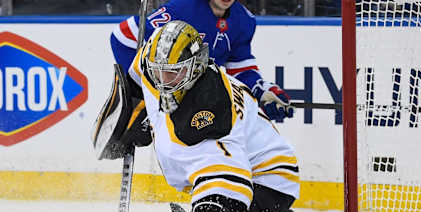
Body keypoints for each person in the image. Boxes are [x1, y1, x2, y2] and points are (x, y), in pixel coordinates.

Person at [123, 20, 337, 212]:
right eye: (158, 72)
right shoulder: (153, 66)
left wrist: (214, 210)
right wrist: (130, 114)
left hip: (269, 178)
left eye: (173, 74)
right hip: (244, 170)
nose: (163, 81)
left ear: (195, 66)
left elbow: (229, 168)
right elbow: (137, 70)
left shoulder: (212, 108)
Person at [110, 0, 294, 122]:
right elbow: (123, 36)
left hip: (198, 104)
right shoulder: (182, 8)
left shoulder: (244, 20)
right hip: (171, 99)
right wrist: (140, 91)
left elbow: (239, 68)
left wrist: (262, 91)